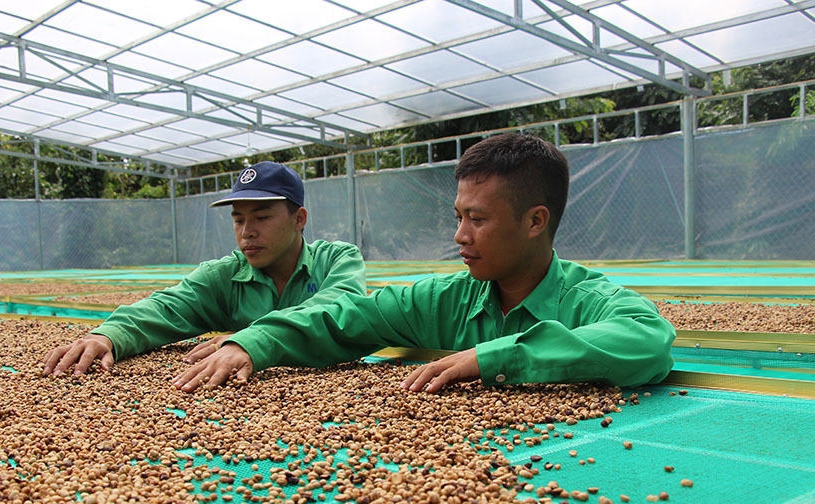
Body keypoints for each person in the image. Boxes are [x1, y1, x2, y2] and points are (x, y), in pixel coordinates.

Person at [171, 133, 675, 393]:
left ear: (535, 221)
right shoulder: (445, 300)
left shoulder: (585, 299)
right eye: (458, 216)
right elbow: (350, 316)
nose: (459, 236)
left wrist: (491, 358)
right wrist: (255, 343)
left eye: (477, 219)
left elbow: (647, 341)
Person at [42, 161, 366, 376]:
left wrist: (253, 337)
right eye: (238, 219)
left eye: (262, 217)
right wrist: (108, 335)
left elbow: (338, 307)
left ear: (299, 219)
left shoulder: (337, 260)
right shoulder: (225, 276)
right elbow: (167, 307)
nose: (247, 231)